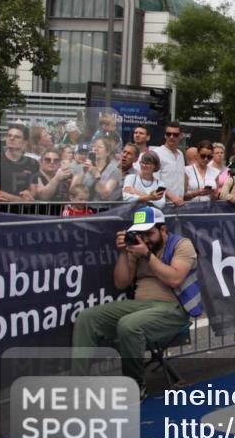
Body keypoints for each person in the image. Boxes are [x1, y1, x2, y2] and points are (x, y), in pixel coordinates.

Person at [72, 206, 199, 399]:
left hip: (174, 308)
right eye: (140, 234)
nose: (145, 239)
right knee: (87, 317)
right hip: (139, 305)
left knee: (129, 325)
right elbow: (121, 282)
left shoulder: (182, 245)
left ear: (163, 230)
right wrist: (125, 253)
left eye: (149, 233)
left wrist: (147, 255)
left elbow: (175, 279)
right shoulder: (138, 247)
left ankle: (134, 386)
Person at [0, 124, 37, 199]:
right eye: (9, 135)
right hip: (0, 207)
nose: (11, 138)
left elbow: (33, 189)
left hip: (24, 208)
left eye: (17, 137)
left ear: (25, 142)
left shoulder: (32, 162)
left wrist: (29, 195)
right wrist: (18, 200)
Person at [74, 136, 122, 202]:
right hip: (82, 208)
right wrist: (83, 172)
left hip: (100, 209)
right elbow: (72, 190)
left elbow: (105, 195)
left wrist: (97, 175)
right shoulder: (82, 166)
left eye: (100, 147)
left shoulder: (114, 170)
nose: (95, 149)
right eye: (94, 146)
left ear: (107, 152)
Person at [151, 122, 186, 207]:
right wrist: (172, 197)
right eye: (168, 134)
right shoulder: (157, 153)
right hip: (162, 204)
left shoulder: (180, 154)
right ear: (165, 135)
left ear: (181, 136)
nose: (171, 137)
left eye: (175, 135)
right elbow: (155, 181)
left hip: (179, 203)